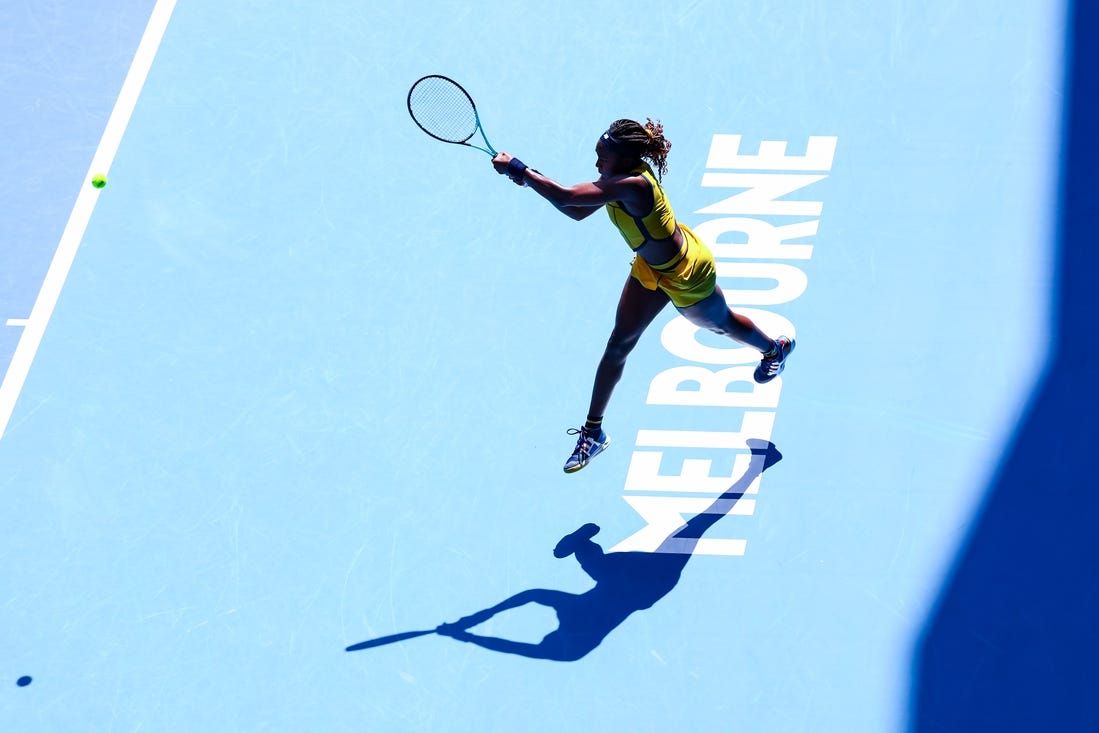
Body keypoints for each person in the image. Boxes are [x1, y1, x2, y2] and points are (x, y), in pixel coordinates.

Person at [492, 118, 793, 474]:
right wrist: (529, 178)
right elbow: (575, 211)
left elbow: (569, 197)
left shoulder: (635, 185)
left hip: (686, 272)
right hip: (649, 269)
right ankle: (593, 433)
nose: (596, 164)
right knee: (619, 344)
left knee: (722, 325)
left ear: (622, 159)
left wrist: (520, 169)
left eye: (602, 157)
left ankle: (774, 349)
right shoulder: (614, 180)